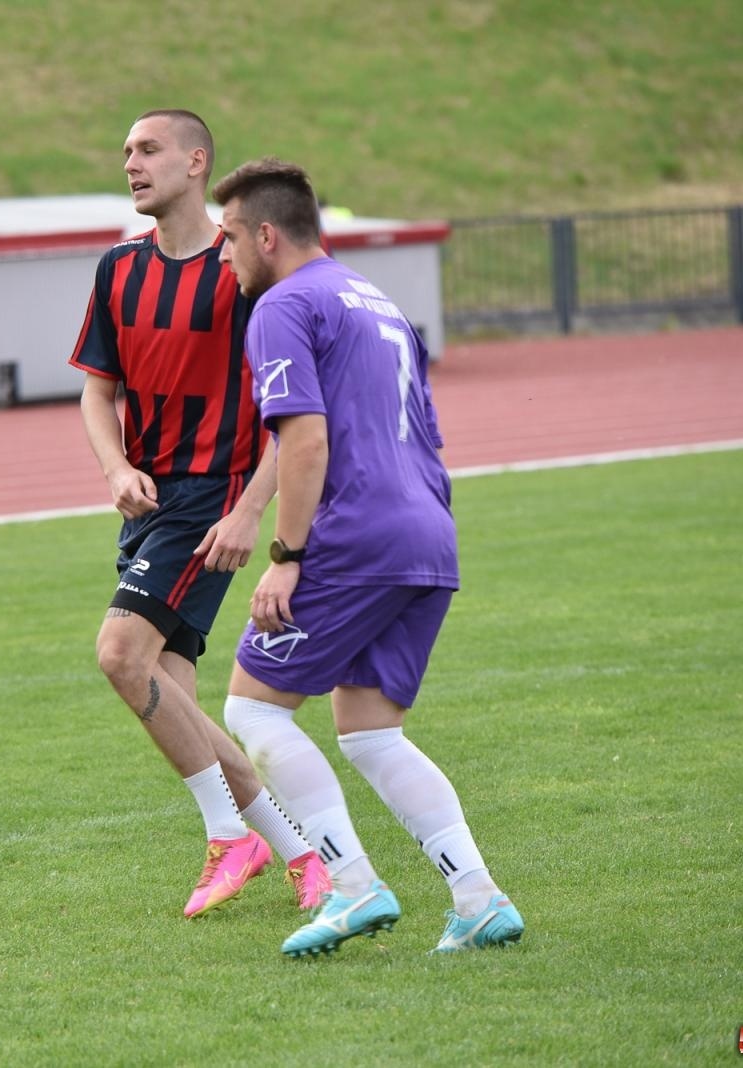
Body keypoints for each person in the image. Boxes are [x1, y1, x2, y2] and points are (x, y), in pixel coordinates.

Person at [211, 156, 524, 956]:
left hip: (356, 537)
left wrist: (286, 554)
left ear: (268, 235)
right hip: (428, 532)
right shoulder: (378, 301)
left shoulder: (282, 305)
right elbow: (423, 432)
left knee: (253, 708)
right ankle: (479, 898)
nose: (223, 256)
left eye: (230, 238)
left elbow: (304, 438)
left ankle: (351, 887)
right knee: (370, 731)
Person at [70, 111, 329, 919]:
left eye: (146, 151)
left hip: (209, 497)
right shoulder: (118, 270)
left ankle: (229, 833)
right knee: (172, 693)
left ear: (195, 160)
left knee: (120, 655)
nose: (132, 165)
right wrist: (114, 466)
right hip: (149, 506)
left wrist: (254, 511)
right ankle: (305, 856)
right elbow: (96, 389)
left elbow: (293, 414)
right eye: (125, 154)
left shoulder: (244, 269)